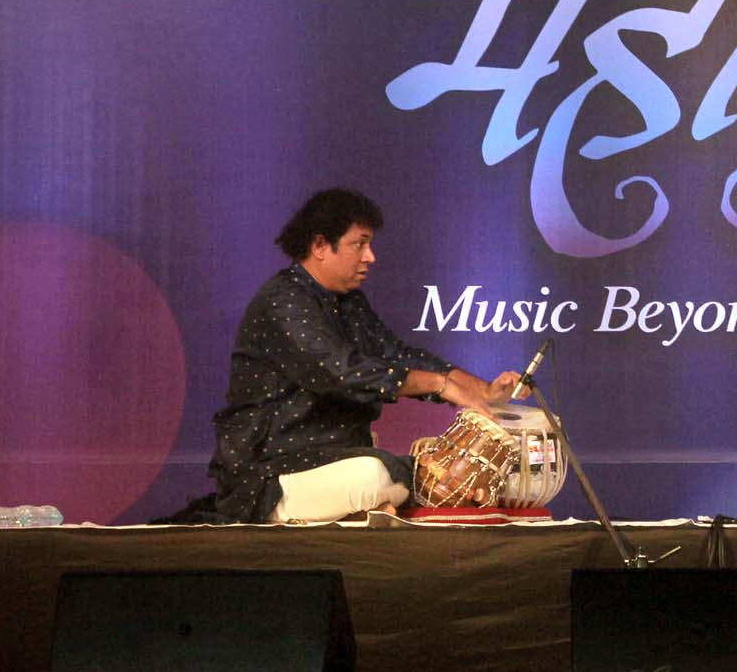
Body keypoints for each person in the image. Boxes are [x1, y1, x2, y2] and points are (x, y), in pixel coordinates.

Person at [209, 187, 523, 523]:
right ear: (319, 246)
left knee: (401, 473)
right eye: (359, 244)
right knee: (374, 475)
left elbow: (398, 356)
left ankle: (357, 511)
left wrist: (484, 391)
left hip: (333, 460)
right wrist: (440, 385)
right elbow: (339, 372)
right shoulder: (283, 301)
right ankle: (320, 510)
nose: (370, 257)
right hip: (270, 473)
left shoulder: (348, 302)